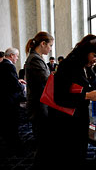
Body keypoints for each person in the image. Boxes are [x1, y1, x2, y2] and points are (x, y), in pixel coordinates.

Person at [43, 34, 96, 169]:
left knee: (79, 154)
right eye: (94, 55)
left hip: (80, 119)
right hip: (65, 121)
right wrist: (87, 95)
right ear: (85, 51)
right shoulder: (68, 65)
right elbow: (59, 97)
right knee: (68, 158)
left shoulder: (88, 67)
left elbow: (90, 86)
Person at [24, 31, 53, 168]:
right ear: (43, 44)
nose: (51, 48)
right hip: (38, 107)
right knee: (43, 143)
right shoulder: (35, 59)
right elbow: (48, 80)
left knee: (44, 143)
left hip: (39, 105)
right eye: (50, 45)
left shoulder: (36, 57)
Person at [0, 48, 26, 156]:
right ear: (11, 55)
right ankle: (17, 150)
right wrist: (22, 87)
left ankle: (10, 147)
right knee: (13, 125)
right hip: (10, 101)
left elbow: (7, 81)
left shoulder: (1, 64)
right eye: (17, 56)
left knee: (7, 126)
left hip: (4, 100)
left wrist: (17, 81)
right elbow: (14, 85)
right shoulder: (9, 66)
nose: (17, 58)